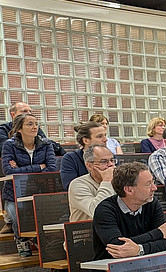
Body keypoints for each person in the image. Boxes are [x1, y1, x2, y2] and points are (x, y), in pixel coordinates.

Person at [2, 113, 57, 256]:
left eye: (36, 124)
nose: (35, 127)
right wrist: (39, 167)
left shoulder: (46, 144)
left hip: (39, 190)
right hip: (13, 192)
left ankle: (38, 240)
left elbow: (52, 168)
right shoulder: (10, 145)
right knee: (15, 215)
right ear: (19, 128)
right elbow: (9, 171)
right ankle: (21, 239)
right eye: (30, 124)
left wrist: (21, 170)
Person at [68, 144, 116, 222]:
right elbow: (98, 212)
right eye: (104, 162)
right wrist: (107, 181)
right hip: (87, 232)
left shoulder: (120, 180)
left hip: (114, 229)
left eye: (112, 160)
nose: (111, 165)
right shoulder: (77, 184)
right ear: (89, 165)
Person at [0, 101, 65, 156]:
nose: (29, 114)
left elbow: (46, 145)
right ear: (13, 115)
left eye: (30, 111)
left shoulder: (35, 128)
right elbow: (6, 150)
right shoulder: (3, 130)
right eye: (24, 111)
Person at [60, 121, 108, 190]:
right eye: (99, 136)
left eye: (105, 135)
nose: (105, 139)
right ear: (85, 140)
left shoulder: (110, 157)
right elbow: (70, 187)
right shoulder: (70, 159)